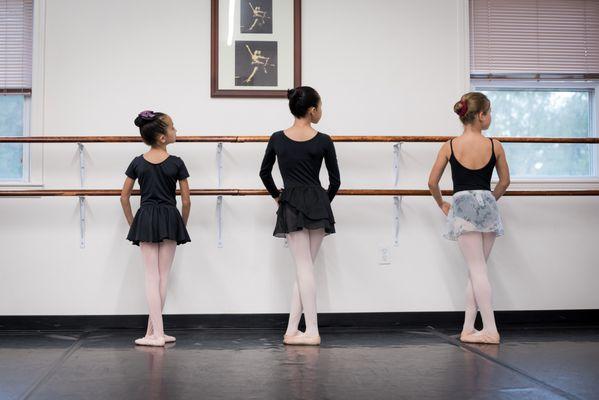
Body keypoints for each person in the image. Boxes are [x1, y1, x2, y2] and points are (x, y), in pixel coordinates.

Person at [259, 86, 340, 346]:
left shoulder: (277, 138)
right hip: (317, 204)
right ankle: (300, 330)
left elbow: (264, 173)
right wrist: (321, 203)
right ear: (312, 109)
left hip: (291, 203)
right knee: (305, 269)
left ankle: (303, 330)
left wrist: (277, 196)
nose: (321, 111)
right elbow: (336, 181)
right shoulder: (324, 139)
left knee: (303, 269)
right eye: (320, 106)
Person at [428, 92, 510, 344]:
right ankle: (469, 328)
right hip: (487, 205)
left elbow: (432, 182)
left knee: (477, 271)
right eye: (490, 112)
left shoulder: (450, 145)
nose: (491, 117)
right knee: (478, 271)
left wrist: (442, 203)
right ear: (481, 115)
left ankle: (489, 330)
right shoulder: (494, 145)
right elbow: (505, 181)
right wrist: (488, 200)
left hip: (462, 206)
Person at [120, 110, 191, 347]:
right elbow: (187, 201)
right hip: (170, 217)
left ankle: (155, 333)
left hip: (147, 217)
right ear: (162, 137)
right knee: (163, 277)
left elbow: (124, 197)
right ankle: (157, 333)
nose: (176, 131)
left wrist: (134, 223)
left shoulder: (138, 162)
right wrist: (181, 223)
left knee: (152, 276)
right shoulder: (177, 163)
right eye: (173, 127)